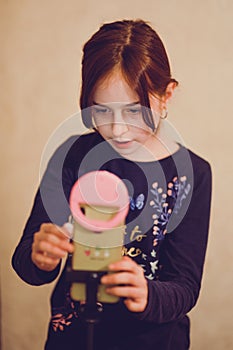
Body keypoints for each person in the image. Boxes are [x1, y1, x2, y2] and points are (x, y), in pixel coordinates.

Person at [12, 19, 212, 350]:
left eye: (134, 112)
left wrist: (147, 293)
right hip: (75, 337)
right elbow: (27, 265)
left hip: (156, 341)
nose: (117, 130)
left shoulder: (194, 174)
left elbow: (185, 287)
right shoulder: (72, 156)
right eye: (102, 110)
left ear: (166, 96)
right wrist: (40, 257)